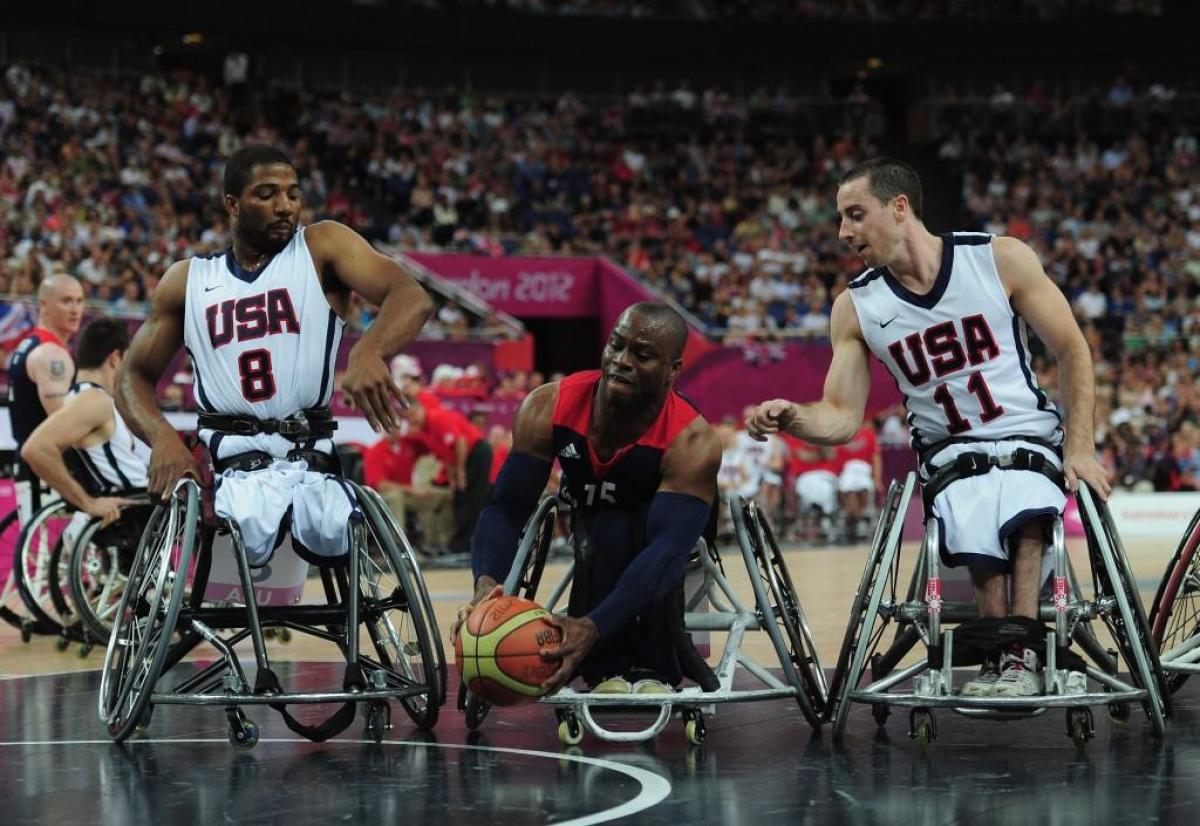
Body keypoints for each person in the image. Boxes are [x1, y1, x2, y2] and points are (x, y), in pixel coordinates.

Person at [746, 158, 1110, 698]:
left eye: (855, 215)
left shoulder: (998, 259)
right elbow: (841, 417)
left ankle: (1018, 652)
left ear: (899, 208)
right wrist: (793, 416)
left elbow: (1073, 349)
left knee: (1024, 490)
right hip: (949, 454)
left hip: (1029, 436)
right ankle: (1004, 653)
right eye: (840, 219)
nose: (843, 232)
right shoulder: (856, 307)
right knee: (973, 503)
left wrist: (1079, 447)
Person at [115, 143, 432, 564]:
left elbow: (411, 295)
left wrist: (369, 350)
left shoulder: (321, 246)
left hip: (310, 458)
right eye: (267, 194)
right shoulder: (188, 280)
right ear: (233, 204)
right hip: (229, 463)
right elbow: (131, 375)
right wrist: (162, 439)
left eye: (293, 194)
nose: (285, 206)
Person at [457, 302, 722, 695]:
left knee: (625, 530)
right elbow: (507, 508)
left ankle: (649, 664)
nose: (621, 360)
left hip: (665, 527)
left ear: (673, 370)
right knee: (607, 528)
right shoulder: (547, 406)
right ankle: (605, 668)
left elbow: (667, 550)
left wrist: (593, 626)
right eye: (616, 345)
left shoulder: (693, 440)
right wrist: (486, 584)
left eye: (642, 354)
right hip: (594, 516)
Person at [21, 319, 147, 529]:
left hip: (136, 505)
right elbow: (36, 449)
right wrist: (88, 503)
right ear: (115, 358)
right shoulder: (94, 401)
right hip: (136, 508)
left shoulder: (80, 397)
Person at [6, 273, 84, 512]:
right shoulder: (51, 354)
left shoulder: (29, 345)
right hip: (50, 472)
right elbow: (64, 424)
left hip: (31, 467)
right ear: (43, 304)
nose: (75, 309)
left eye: (79, 301)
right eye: (66, 301)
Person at [401, 401, 492, 555]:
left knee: (471, 499)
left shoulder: (436, 418)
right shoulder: (425, 431)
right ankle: (462, 543)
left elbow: (460, 442)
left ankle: (466, 544)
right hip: (464, 457)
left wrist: (460, 472)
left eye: (414, 414)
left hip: (476, 452)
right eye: (409, 417)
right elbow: (446, 454)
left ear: (422, 410)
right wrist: (452, 478)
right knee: (460, 498)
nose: (412, 420)